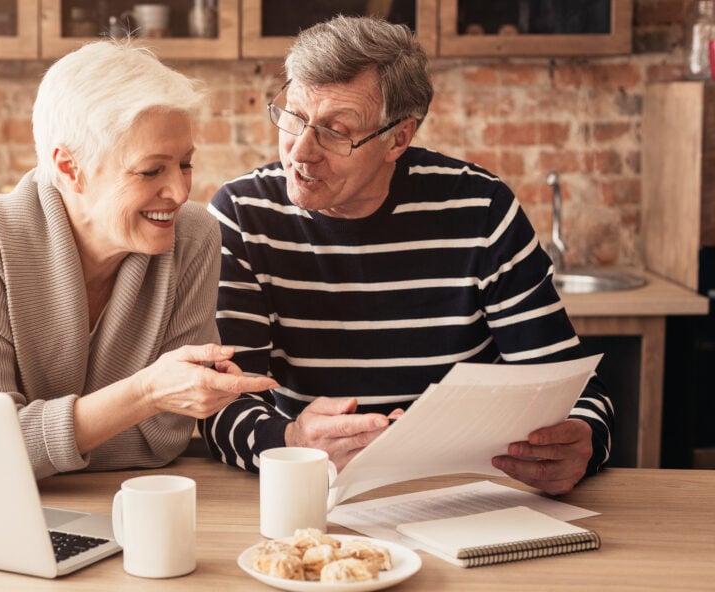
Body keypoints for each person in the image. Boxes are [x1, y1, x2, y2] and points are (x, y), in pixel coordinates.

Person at [200, 16, 613, 495]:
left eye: (336, 131)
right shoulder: (243, 214)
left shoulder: (480, 210)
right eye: (293, 117)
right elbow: (221, 403)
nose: (301, 151)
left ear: (398, 138)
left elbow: (571, 387)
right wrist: (290, 440)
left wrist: (583, 439)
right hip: (315, 490)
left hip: (466, 489)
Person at [0, 41, 277, 478]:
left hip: (25, 491)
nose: (180, 192)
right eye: (151, 170)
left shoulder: (193, 236)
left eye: (185, 164)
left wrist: (25, 439)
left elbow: (161, 440)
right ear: (69, 168)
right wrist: (143, 395)